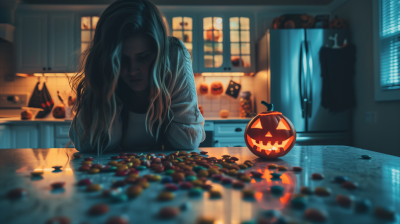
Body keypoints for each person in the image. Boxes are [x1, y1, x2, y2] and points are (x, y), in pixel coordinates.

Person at [68, 0, 205, 154]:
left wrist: (174, 66)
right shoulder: (103, 70)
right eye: (121, 59)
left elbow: (188, 141)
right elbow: (87, 144)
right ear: (107, 59)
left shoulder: (173, 56)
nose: (132, 71)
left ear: (159, 55)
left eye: (143, 57)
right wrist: (107, 87)